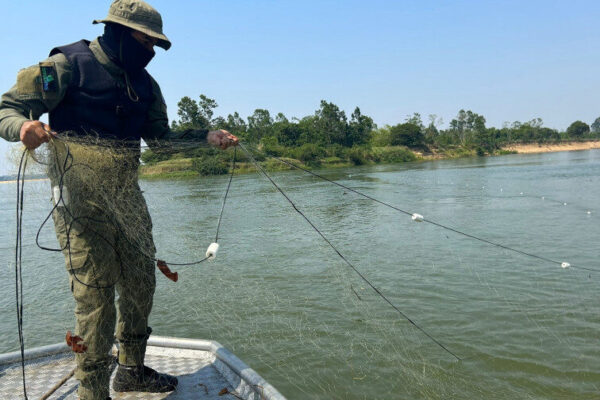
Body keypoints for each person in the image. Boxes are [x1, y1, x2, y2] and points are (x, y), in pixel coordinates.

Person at [0, 1, 238, 399]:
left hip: (127, 198)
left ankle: (131, 370)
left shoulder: (145, 85)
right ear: (118, 32)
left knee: (142, 283)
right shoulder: (64, 66)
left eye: (155, 46)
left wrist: (207, 139)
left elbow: (160, 140)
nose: (150, 51)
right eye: (146, 41)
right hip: (78, 204)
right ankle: (93, 391)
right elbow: (7, 108)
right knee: (95, 298)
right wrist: (24, 126)